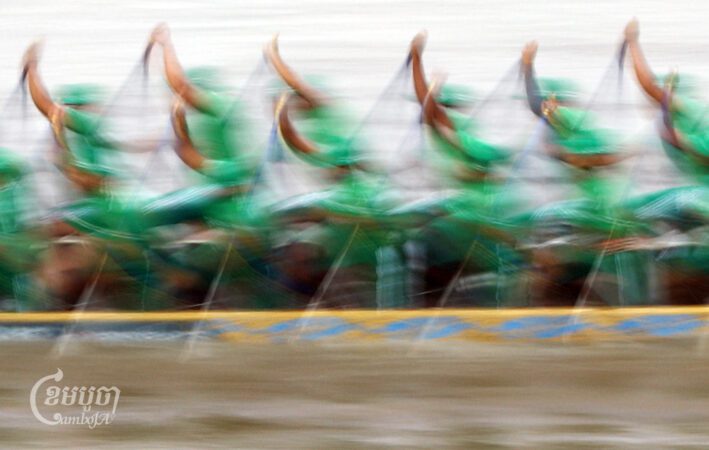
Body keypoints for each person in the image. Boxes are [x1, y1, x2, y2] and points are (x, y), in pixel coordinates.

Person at [519, 40, 653, 306]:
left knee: (541, 223)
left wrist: (527, 66)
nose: (548, 110)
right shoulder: (566, 131)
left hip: (599, 210)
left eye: (553, 103)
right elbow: (537, 107)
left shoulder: (576, 126)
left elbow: (537, 105)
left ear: (559, 103)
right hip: (591, 211)